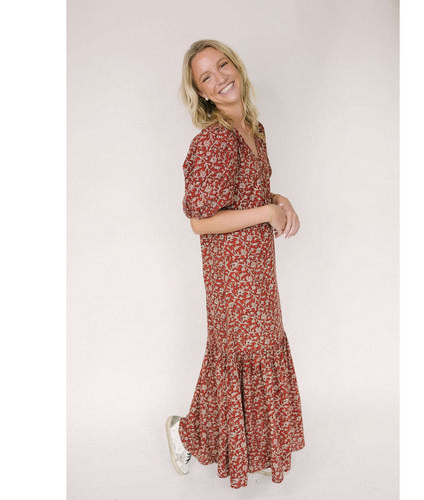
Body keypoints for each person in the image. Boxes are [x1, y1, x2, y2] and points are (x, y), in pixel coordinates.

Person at [166, 39, 305, 489]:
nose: (220, 78)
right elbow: (200, 221)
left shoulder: (253, 128)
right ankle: (186, 433)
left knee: (257, 350)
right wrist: (266, 212)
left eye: (223, 65)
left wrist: (279, 199)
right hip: (232, 272)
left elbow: (249, 191)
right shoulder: (215, 140)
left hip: (258, 266)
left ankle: (248, 445)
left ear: (237, 67)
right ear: (202, 94)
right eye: (206, 77)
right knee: (240, 354)